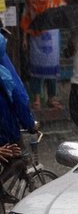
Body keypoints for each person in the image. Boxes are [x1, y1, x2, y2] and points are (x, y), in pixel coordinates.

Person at [18, 0, 67, 110]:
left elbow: (64, 14)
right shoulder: (31, 1)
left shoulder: (56, 0)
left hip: (52, 38)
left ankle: (52, 98)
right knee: (36, 70)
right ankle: (37, 98)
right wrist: (24, 38)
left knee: (52, 70)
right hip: (36, 38)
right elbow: (26, 20)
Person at [0, 25, 37, 200]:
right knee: (19, 156)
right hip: (3, 122)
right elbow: (19, 97)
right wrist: (29, 124)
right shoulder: (3, 61)